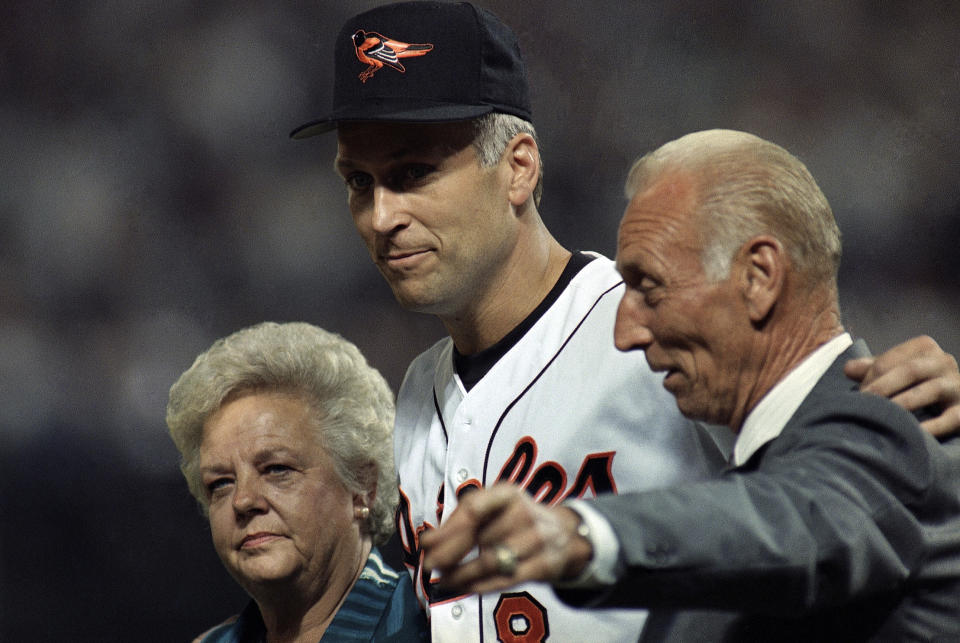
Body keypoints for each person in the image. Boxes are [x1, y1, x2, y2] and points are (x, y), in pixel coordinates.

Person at [292, 2, 960, 640]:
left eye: (413, 173)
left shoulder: (664, 326)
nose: (381, 216)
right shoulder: (412, 396)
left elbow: (817, 496)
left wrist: (586, 533)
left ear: (517, 168)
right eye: (359, 183)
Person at [420, 130, 960, 641]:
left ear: (758, 276)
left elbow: (797, 521)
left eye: (648, 287)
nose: (624, 332)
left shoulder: (895, 425)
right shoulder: (747, 483)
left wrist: (584, 534)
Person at [166, 322, 428, 642]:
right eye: (221, 483)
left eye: (277, 469)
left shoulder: (437, 624)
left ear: (363, 486)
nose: (243, 501)